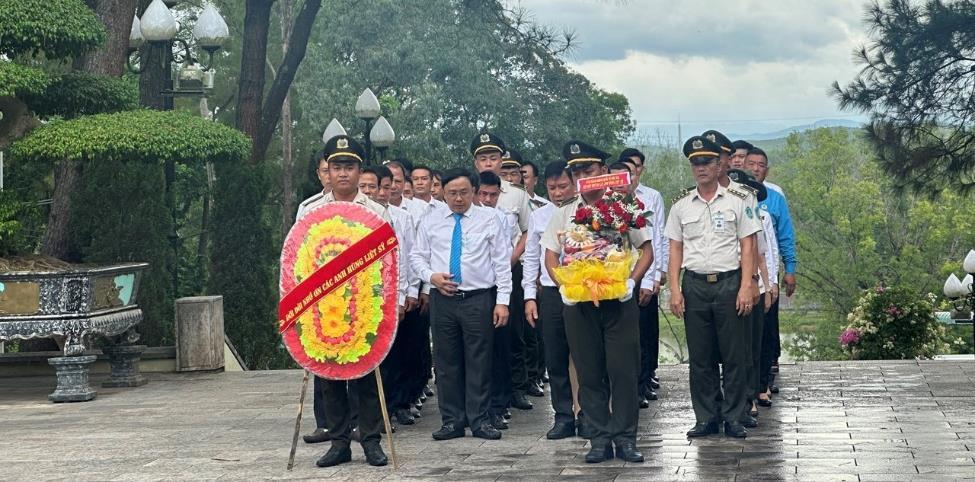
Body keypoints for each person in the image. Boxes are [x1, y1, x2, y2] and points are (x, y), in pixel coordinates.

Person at [542, 140, 654, 464]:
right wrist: (561, 282)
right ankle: (599, 438)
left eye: (588, 169)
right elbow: (550, 255)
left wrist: (632, 282)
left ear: (603, 171)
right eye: (576, 170)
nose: (582, 175)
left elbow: (647, 250)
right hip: (578, 302)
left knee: (622, 370)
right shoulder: (565, 212)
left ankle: (626, 437)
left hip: (617, 301)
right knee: (589, 372)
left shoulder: (624, 205)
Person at [309, 135, 402, 468]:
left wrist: (394, 302)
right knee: (330, 376)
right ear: (327, 171)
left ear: (359, 170)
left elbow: (392, 261)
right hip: (324, 308)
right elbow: (298, 260)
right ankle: (338, 442)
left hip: (365, 304)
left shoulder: (377, 213)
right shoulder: (310, 211)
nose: (343, 173)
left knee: (367, 376)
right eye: (337, 166)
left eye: (349, 166)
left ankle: (372, 440)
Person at [666, 135, 761, 440]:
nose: (701, 168)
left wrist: (747, 285)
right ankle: (706, 416)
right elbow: (675, 249)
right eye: (696, 163)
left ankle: (734, 416)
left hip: (729, 282)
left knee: (734, 355)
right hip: (694, 283)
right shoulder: (681, 205)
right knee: (701, 357)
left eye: (707, 161)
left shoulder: (738, 200)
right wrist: (674, 289)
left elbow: (748, 246)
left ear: (719, 163)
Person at [411, 168, 512, 441]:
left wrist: (502, 301)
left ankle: (480, 420)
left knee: (479, 360)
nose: (458, 199)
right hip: (442, 299)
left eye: (464, 192)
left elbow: (501, 263)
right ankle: (452, 421)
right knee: (446, 362)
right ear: (442, 192)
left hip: (478, 298)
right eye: (452, 193)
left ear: (474, 192)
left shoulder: (490, 219)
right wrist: (431, 276)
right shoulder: (430, 220)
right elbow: (417, 257)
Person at [471, 133, 539, 409]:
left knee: (513, 332)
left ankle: (516, 388)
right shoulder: (466, 190)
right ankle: (487, 393)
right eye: (483, 158)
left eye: (494, 158)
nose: (489, 163)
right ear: (475, 162)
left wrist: (511, 257)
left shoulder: (517, 195)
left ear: (502, 160)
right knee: (482, 336)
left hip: (509, 271)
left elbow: (528, 230)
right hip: (475, 276)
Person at [360, 166, 422, 427]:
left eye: (381, 187)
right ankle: (368, 414)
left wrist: (407, 292)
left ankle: (397, 405)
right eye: (370, 187)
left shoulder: (400, 217)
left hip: (392, 294)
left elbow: (405, 256)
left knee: (396, 354)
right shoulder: (356, 215)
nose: (377, 192)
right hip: (362, 297)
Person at [522, 161, 579, 440]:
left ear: (575, 183)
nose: (557, 193)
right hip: (551, 292)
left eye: (563, 186)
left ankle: (588, 414)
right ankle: (563, 416)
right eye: (552, 187)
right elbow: (532, 257)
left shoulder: (585, 211)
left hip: (582, 290)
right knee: (555, 356)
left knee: (583, 356)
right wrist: (529, 298)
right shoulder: (540, 216)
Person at [745, 147, 797, 405]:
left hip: (768, 273)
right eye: (751, 163)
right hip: (740, 274)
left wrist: (789, 269)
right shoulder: (733, 195)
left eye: (760, 165)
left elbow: (783, 237)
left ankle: (763, 382)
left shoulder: (774, 198)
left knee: (766, 330)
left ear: (767, 169)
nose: (755, 168)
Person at [618, 148, 668, 404]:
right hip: (614, 279)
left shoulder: (650, 197)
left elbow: (657, 237)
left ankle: (644, 380)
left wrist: (655, 276)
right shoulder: (605, 202)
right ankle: (630, 387)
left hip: (642, 274)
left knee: (645, 331)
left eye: (634, 167)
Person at [476, 170, 519, 431]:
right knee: (478, 352)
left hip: (499, 288)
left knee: (500, 348)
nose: (487, 199)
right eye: (482, 193)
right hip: (474, 290)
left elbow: (504, 258)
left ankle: (499, 405)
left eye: (492, 194)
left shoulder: (502, 218)